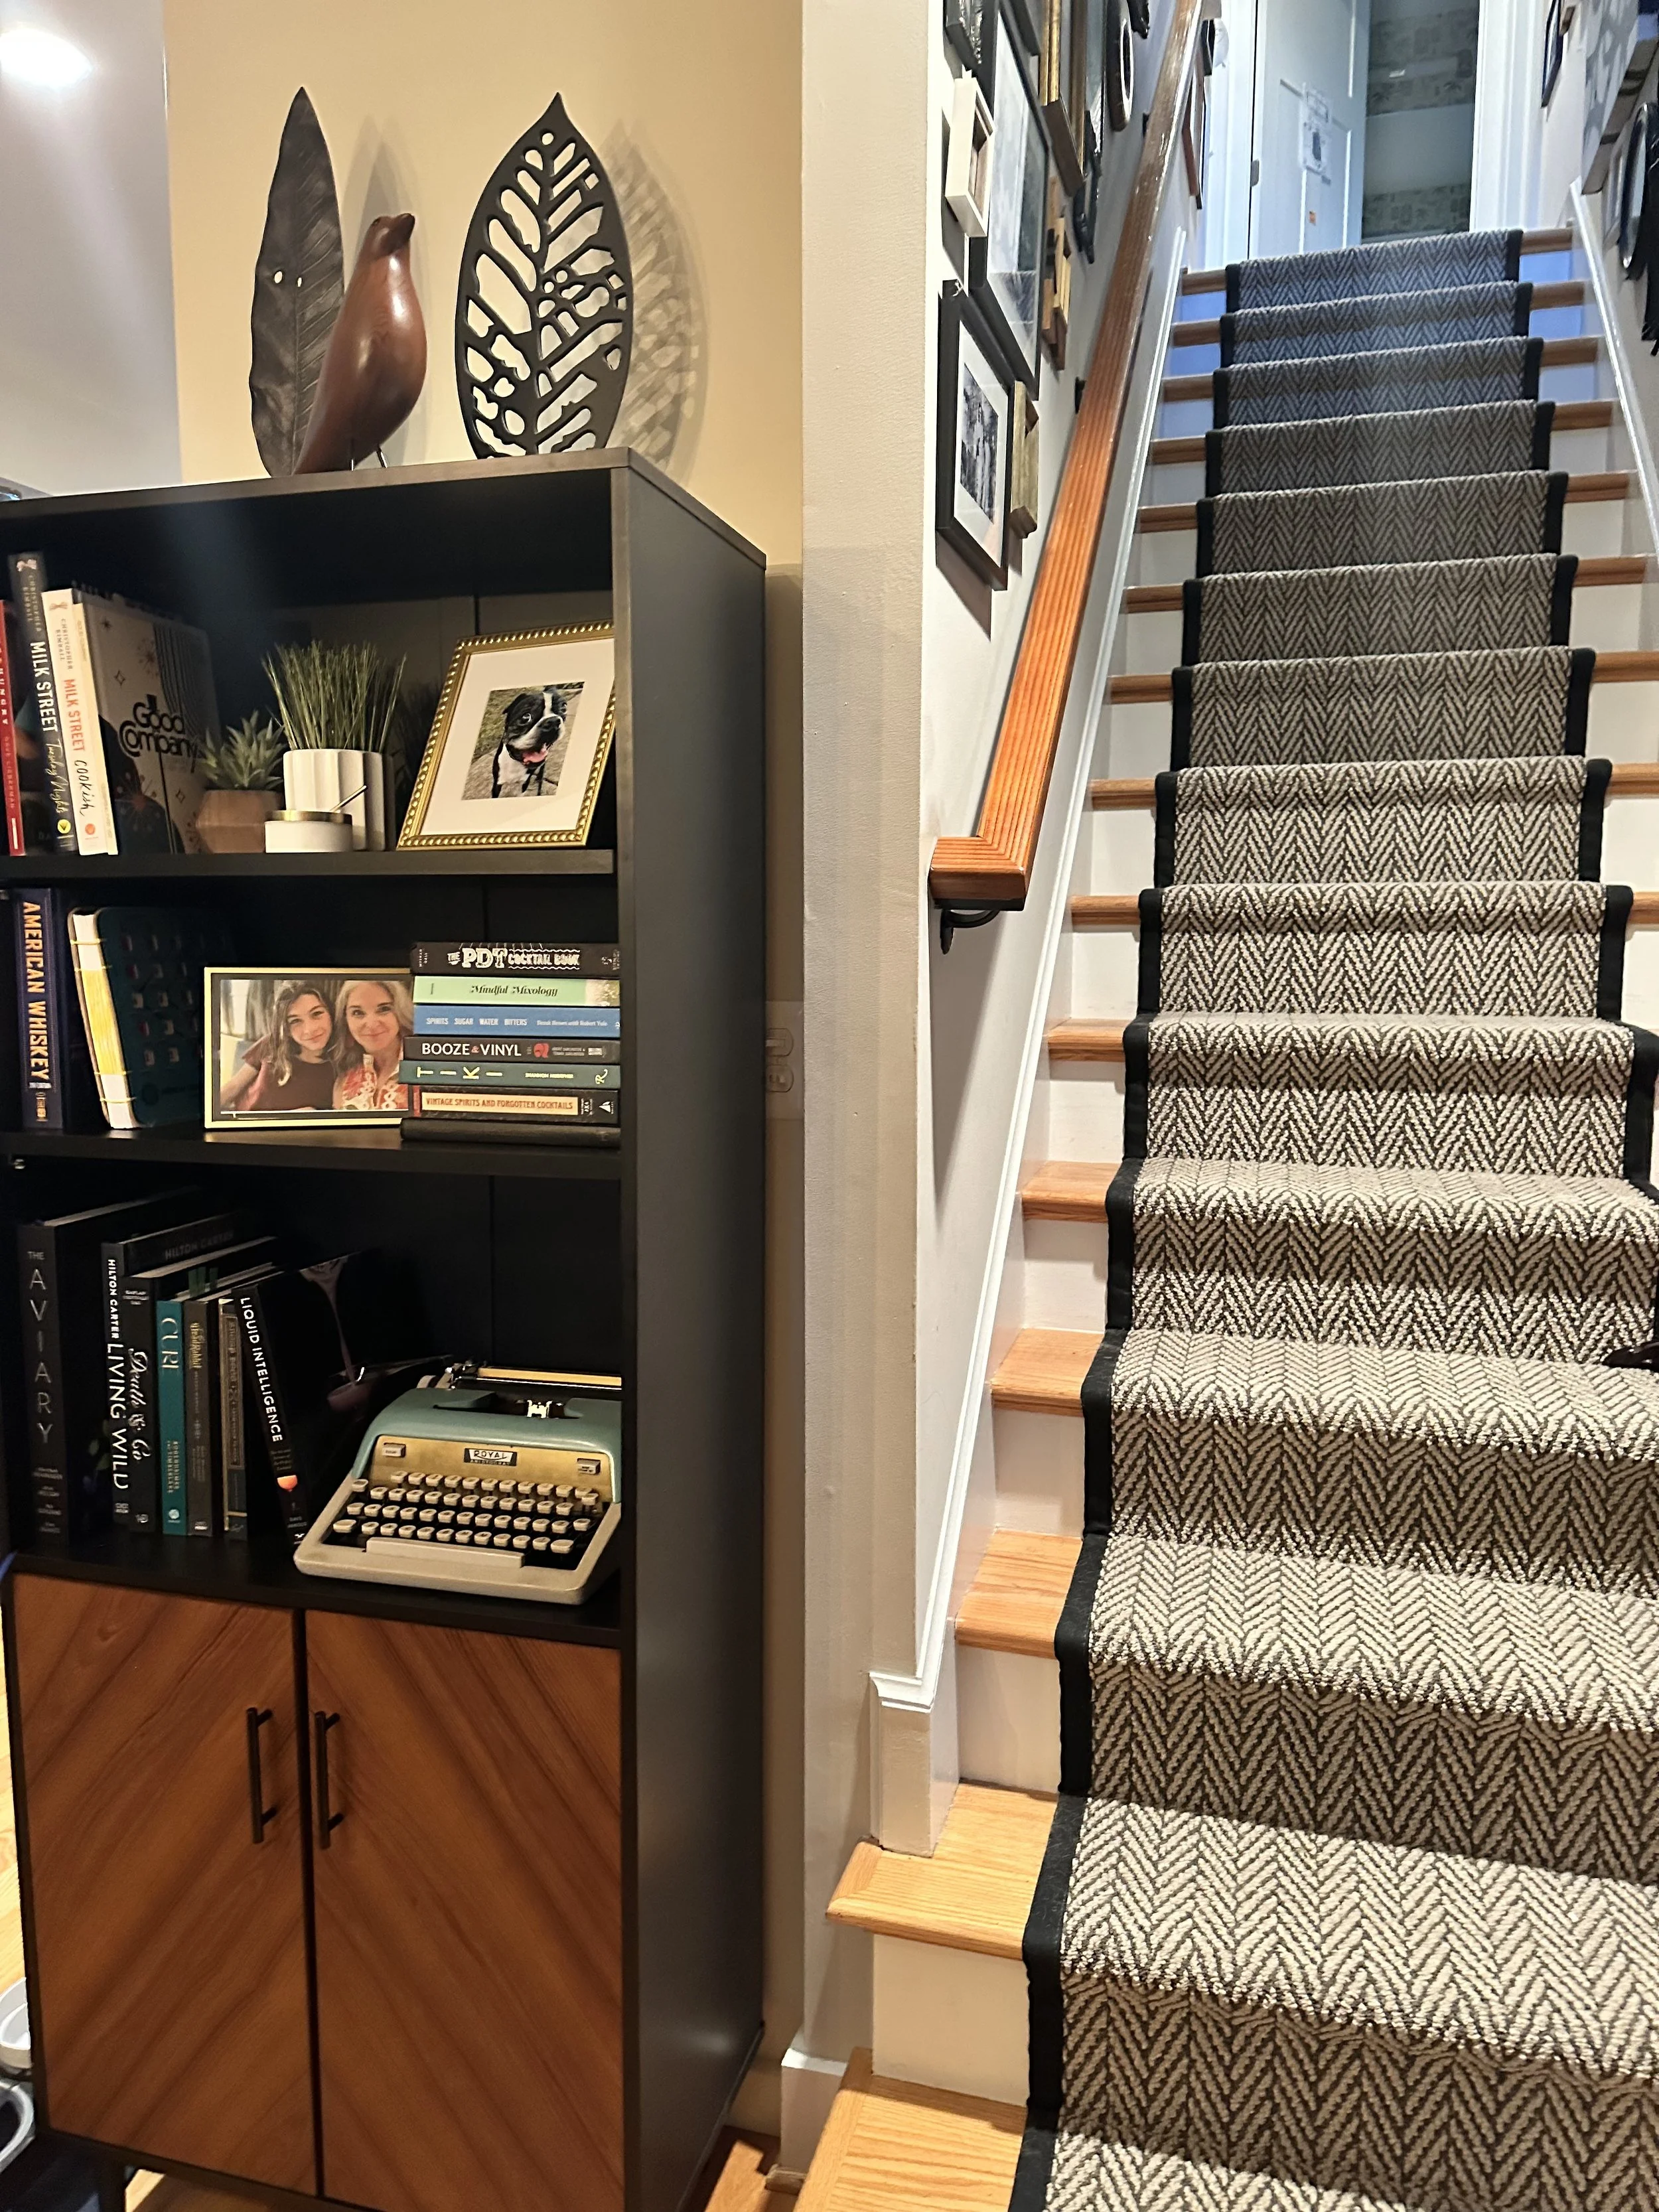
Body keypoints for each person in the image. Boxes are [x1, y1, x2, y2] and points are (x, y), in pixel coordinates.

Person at [219, 978, 338, 1114]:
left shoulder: (341, 1065)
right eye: (295, 1021)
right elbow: (233, 1087)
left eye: (317, 1014)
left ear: (331, 1013)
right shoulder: (271, 1043)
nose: (310, 1029)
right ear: (286, 1028)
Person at [332, 976, 415, 1111]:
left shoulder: (430, 1069)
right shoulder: (343, 1082)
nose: (371, 1024)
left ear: (400, 1011)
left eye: (383, 1009)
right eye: (358, 1013)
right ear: (345, 1020)